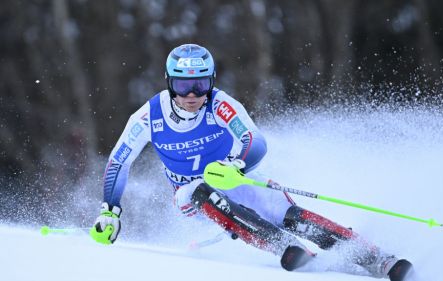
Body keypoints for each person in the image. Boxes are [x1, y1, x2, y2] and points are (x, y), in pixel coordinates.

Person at [90, 43, 413, 280]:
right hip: (191, 196)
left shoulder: (220, 104)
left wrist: (234, 165)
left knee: (287, 213)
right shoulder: (149, 115)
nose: (191, 95)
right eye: (182, 85)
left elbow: (255, 142)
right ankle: (283, 247)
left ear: (211, 82)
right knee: (200, 189)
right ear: (168, 82)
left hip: (234, 177)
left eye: (200, 85)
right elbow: (120, 162)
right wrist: (111, 211)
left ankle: (378, 259)